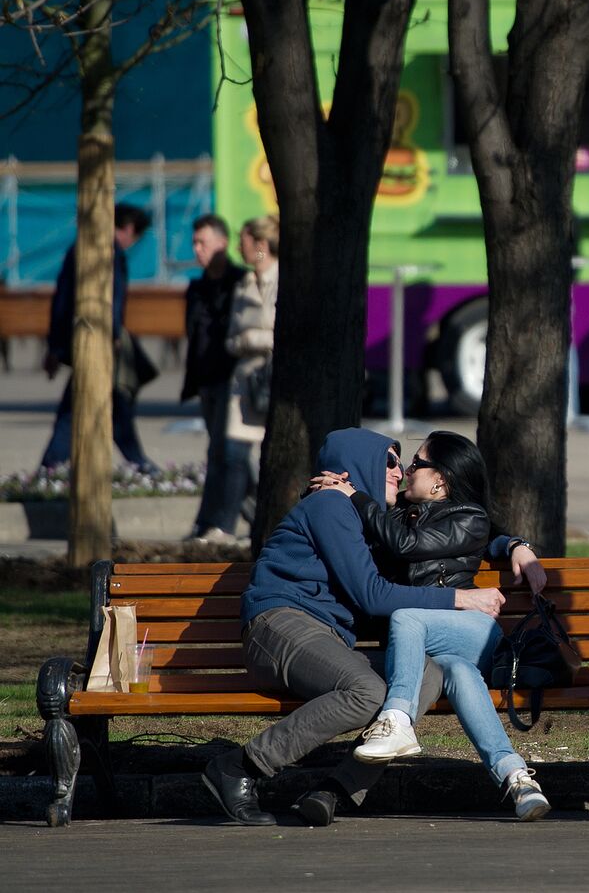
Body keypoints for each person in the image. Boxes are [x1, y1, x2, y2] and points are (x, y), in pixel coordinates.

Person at [202, 428, 506, 827]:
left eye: (406, 462)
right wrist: (461, 599)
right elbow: (373, 596)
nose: (400, 471)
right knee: (368, 691)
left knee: (424, 675)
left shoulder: (357, 515)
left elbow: (455, 528)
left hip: (323, 641)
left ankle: (336, 789)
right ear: (352, 468)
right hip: (280, 628)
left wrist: (513, 544)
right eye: (391, 461)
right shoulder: (330, 505)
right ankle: (242, 766)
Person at [309, 431, 554, 820]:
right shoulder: (398, 510)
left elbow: (407, 545)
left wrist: (352, 495)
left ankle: (397, 720)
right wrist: (512, 542)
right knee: (457, 673)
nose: (406, 471)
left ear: (441, 478)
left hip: (471, 629)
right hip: (431, 650)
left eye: (417, 464)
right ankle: (516, 778)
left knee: (407, 617)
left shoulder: (468, 518)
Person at [39, 203, 159, 473]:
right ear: (128, 229)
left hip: (79, 340)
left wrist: (55, 347)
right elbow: (112, 298)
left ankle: (50, 469)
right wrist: (114, 334)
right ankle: (141, 467)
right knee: (91, 409)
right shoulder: (110, 253)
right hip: (98, 343)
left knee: (86, 408)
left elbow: (61, 299)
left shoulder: (77, 248)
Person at [212, 215, 279, 542]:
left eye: (245, 240)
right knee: (235, 456)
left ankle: (258, 525)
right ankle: (227, 526)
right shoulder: (246, 283)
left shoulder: (280, 281)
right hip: (245, 384)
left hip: (270, 382)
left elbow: (282, 334)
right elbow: (231, 337)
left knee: (269, 458)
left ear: (261, 246)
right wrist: (245, 340)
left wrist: (253, 338)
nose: (240, 246)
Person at [180, 215, 245, 541]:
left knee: (226, 453)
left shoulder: (240, 282)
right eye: (194, 243)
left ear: (222, 243)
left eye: (202, 242)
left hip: (233, 381)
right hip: (205, 380)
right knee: (222, 454)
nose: (197, 249)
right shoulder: (198, 287)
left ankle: (217, 524)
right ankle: (216, 520)